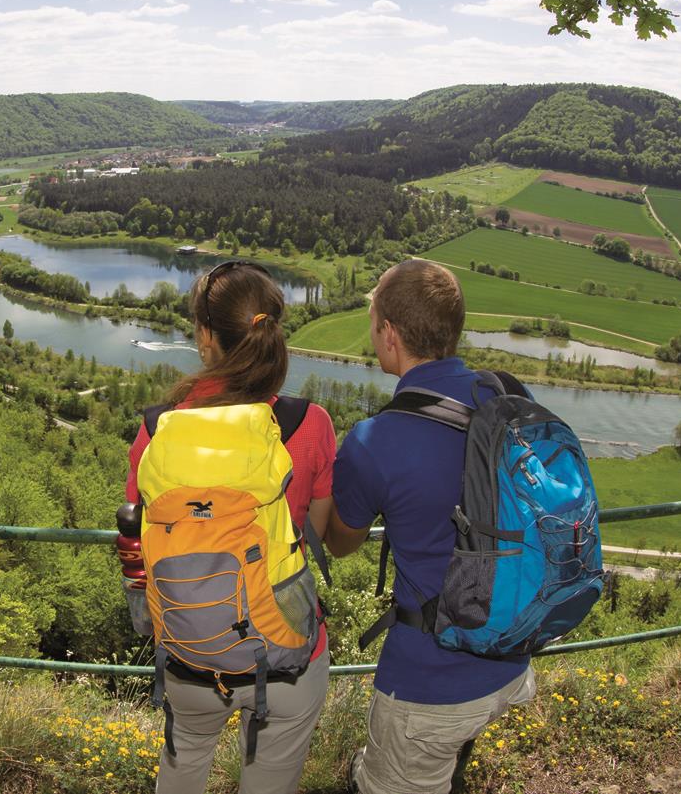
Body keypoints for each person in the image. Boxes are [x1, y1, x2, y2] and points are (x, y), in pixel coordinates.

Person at [124, 260, 336, 794]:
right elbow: (321, 530)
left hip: (190, 650)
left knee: (182, 766)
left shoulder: (156, 431)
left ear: (204, 337)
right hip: (286, 654)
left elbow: (140, 538)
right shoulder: (308, 424)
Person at [325, 260, 536, 794]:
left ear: (390, 336)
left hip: (431, 683)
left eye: (373, 322)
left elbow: (342, 543)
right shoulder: (507, 396)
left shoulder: (376, 440)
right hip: (509, 652)